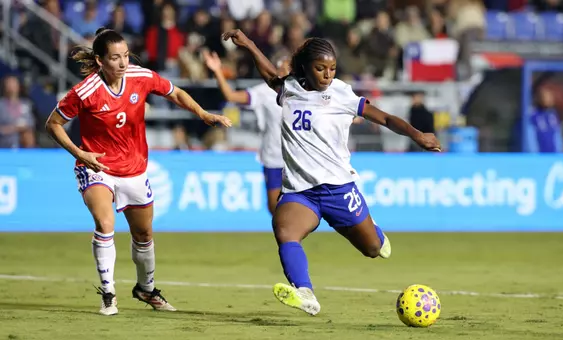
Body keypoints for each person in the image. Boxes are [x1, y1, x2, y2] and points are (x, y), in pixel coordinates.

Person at [222, 29, 440, 315]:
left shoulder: (341, 94)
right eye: (320, 68)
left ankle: (374, 233)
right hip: (302, 192)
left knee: (373, 249)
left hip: (339, 189)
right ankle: (305, 293)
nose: (327, 74)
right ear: (305, 68)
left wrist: (416, 134)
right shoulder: (289, 89)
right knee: (284, 229)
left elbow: (384, 117)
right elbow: (270, 76)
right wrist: (249, 44)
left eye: (332, 68)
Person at [45, 27, 231, 316]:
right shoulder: (85, 92)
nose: (122, 63)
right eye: (115, 58)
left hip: (133, 169)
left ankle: (146, 288)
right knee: (105, 224)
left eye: (126, 56)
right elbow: (53, 124)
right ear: (100, 61)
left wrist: (202, 113)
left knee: (143, 233)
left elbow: (175, 93)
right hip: (97, 167)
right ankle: (108, 294)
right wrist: (80, 153)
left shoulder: (140, 77)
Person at [203, 50, 289, 215]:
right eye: (281, 67)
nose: (284, 71)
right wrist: (218, 71)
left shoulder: (303, 90)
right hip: (273, 157)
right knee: (275, 209)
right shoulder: (264, 91)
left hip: (297, 159)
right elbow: (231, 96)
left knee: (297, 208)